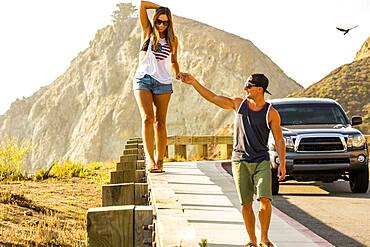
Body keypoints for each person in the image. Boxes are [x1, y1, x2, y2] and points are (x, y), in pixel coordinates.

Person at [180, 72, 286, 247]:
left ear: (259, 89)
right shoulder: (238, 104)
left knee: (265, 200)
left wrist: (282, 163)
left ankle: (264, 238)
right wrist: (194, 82)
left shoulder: (271, 113)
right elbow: (213, 98)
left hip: (261, 161)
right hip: (240, 161)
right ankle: (252, 240)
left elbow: (279, 139)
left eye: (249, 86)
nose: (245, 88)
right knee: (246, 203)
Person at [134, 1, 181, 173]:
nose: (161, 25)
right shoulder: (147, 32)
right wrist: (162, 8)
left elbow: (174, 61)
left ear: (169, 23)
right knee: (148, 118)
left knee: (160, 123)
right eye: (159, 21)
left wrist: (178, 73)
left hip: (163, 83)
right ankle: (150, 159)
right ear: (154, 21)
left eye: (165, 22)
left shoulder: (173, 40)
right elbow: (143, 4)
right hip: (143, 79)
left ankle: (160, 162)